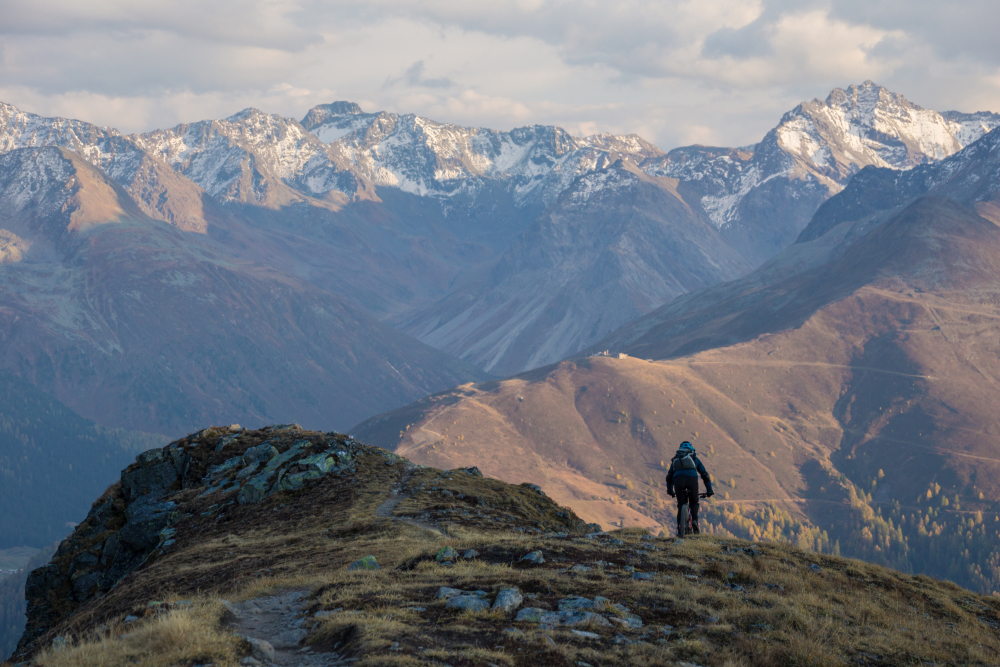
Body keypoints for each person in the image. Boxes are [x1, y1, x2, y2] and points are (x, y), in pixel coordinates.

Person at [666, 441, 714, 535]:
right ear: (692, 450)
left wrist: (670, 490)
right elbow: (705, 475)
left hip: (678, 481)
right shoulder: (694, 458)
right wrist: (709, 490)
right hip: (692, 480)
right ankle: (695, 521)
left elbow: (669, 477)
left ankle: (680, 528)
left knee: (681, 505)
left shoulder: (676, 459)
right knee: (694, 502)